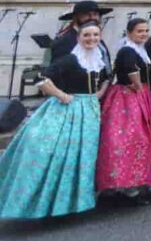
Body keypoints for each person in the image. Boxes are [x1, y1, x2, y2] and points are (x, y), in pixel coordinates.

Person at [0, 21, 108, 218]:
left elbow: (106, 78)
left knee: (84, 154)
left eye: (95, 35)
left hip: (90, 110)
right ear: (79, 38)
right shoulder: (71, 59)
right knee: (54, 151)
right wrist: (62, 95)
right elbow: (41, 78)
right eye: (87, 35)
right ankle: (48, 201)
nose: (91, 39)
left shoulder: (98, 59)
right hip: (69, 109)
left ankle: (77, 200)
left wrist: (98, 94)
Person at [96, 18, 151, 204]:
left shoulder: (138, 49)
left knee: (137, 140)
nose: (144, 34)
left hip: (135, 96)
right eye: (140, 31)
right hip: (127, 98)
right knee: (129, 140)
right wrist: (140, 87)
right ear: (129, 32)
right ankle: (123, 186)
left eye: (146, 31)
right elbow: (132, 72)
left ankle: (129, 184)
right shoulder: (128, 50)